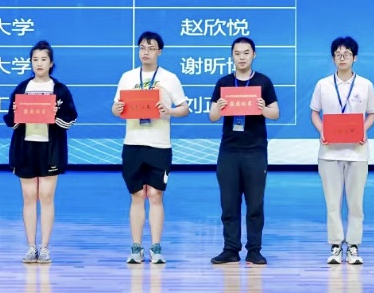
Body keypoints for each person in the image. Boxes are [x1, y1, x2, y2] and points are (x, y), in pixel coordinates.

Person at [112, 31, 190, 264]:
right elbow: (116, 107)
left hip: (159, 145)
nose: (146, 52)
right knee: (137, 195)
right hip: (133, 143)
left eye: (151, 48)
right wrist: (117, 110)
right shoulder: (127, 77)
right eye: (142, 48)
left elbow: (184, 108)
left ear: (160, 52)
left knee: (155, 195)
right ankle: (136, 248)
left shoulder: (169, 78)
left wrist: (170, 111)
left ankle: (156, 248)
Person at [3, 40, 78, 264]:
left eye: (43, 59)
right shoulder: (22, 88)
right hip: (25, 149)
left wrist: (54, 115)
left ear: (51, 63)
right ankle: (30, 247)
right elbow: (11, 121)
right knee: (28, 198)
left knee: (46, 197)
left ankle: (44, 247)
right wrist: (17, 114)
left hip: (50, 149)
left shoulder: (60, 89)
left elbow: (70, 119)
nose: (39, 63)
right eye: (35, 59)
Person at [208, 37, 279, 265]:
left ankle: (254, 250)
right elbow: (212, 116)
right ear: (232, 56)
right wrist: (219, 108)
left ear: (254, 55)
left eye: (246, 53)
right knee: (229, 203)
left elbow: (275, 113)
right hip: (229, 151)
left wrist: (263, 109)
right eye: (237, 53)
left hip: (255, 152)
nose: (241, 57)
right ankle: (230, 249)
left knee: (255, 204)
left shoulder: (263, 82)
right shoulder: (224, 83)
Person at [310, 36, 374, 265]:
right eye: (338, 54)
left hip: (357, 152)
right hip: (329, 152)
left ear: (354, 58)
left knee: (356, 202)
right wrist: (322, 130)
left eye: (347, 54)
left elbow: (371, 114)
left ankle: (354, 246)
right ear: (333, 58)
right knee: (333, 203)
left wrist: (363, 130)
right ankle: (336, 245)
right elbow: (314, 113)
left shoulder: (365, 85)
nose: (342, 58)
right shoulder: (323, 84)